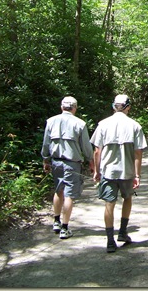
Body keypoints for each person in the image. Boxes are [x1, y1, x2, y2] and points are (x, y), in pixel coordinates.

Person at [90, 94, 147, 253]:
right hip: (127, 171)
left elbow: (97, 151)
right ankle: (122, 232)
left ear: (113, 106)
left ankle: (110, 241)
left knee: (109, 203)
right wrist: (137, 175)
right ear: (128, 107)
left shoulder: (103, 124)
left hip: (108, 171)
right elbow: (138, 153)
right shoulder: (135, 125)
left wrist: (97, 170)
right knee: (127, 198)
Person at [41, 96, 94, 239]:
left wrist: (45, 159)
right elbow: (86, 146)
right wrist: (91, 161)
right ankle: (65, 228)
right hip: (72, 163)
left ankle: (56, 221)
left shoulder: (51, 121)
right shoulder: (80, 124)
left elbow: (46, 143)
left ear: (61, 107)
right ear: (75, 108)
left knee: (58, 191)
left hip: (56, 161)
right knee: (69, 194)